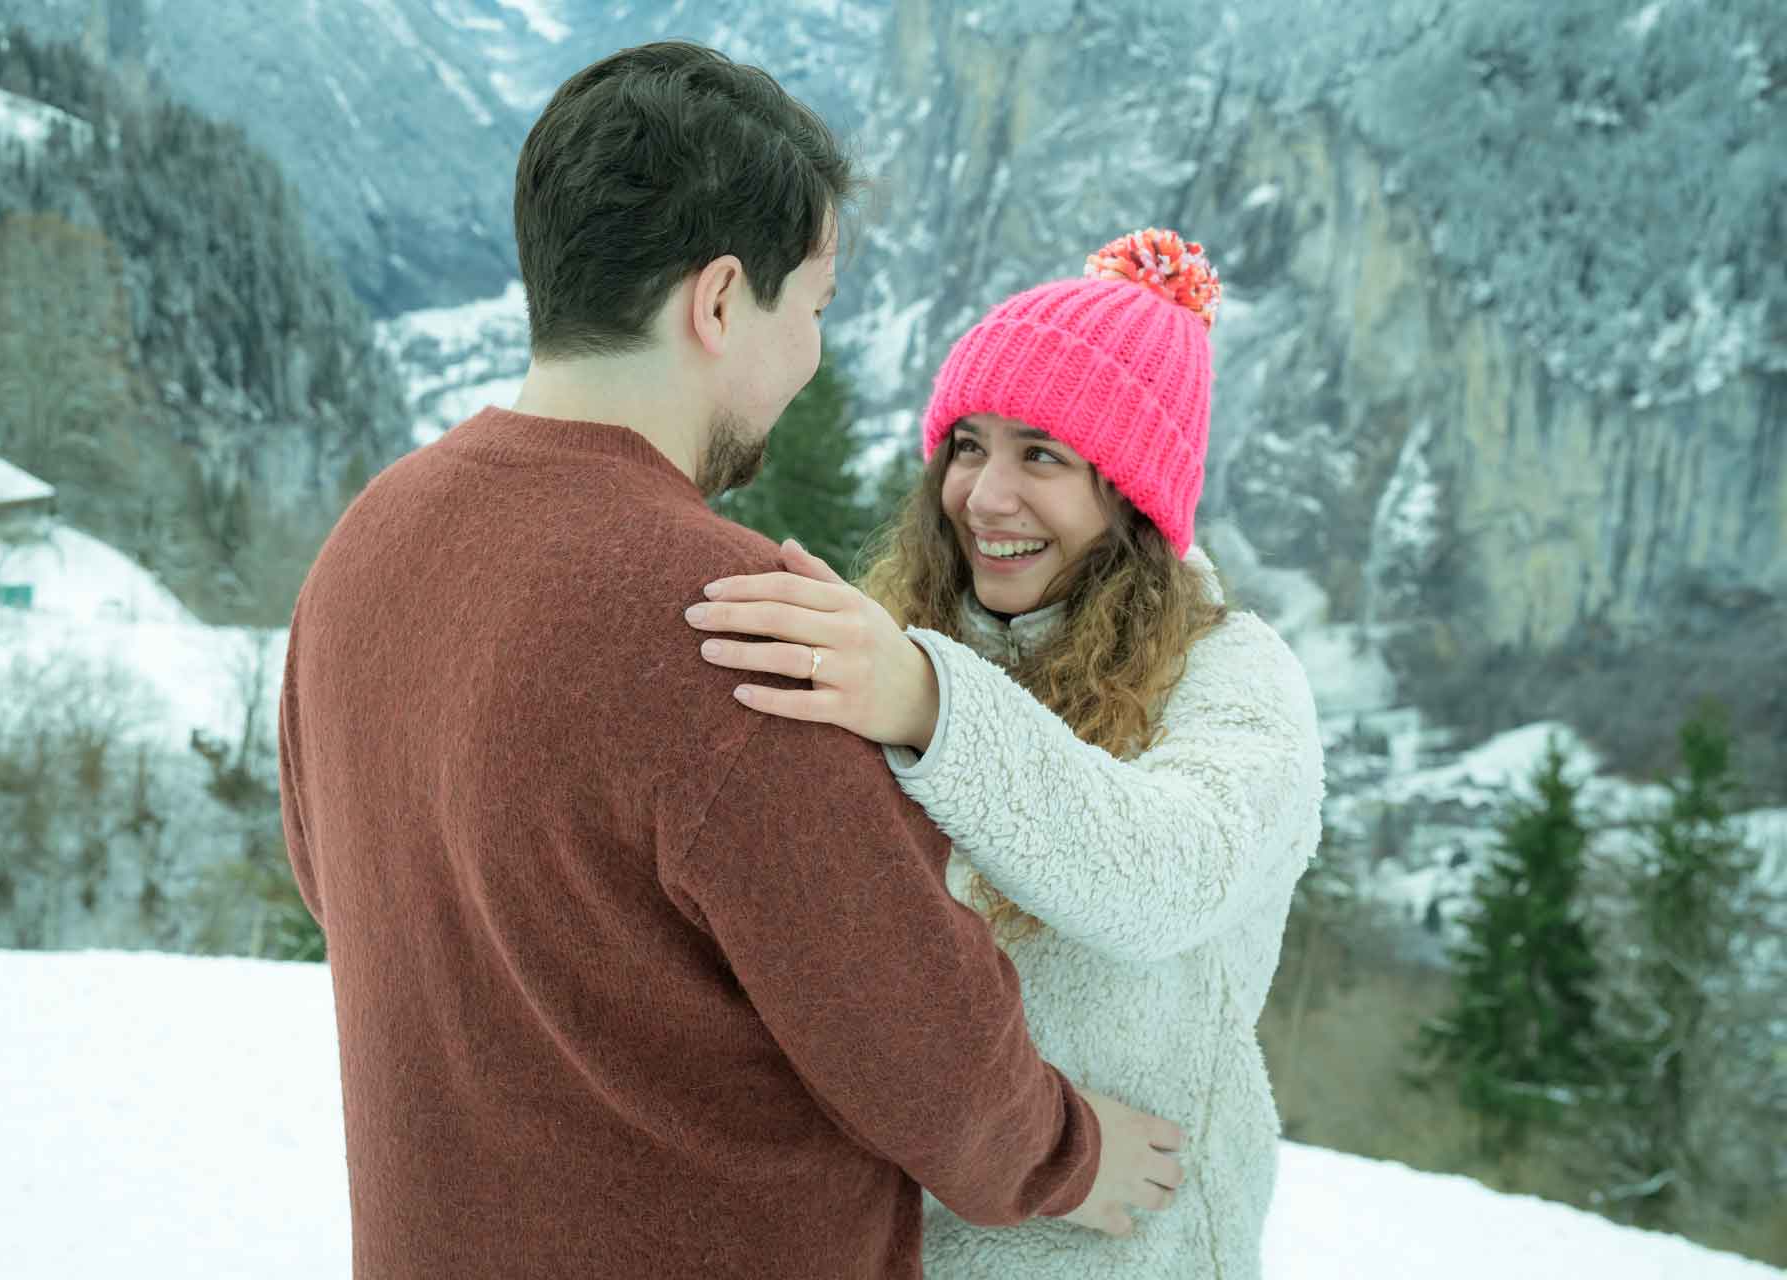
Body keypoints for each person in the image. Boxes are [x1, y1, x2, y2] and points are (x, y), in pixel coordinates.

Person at [277, 45, 1186, 1280]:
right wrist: (1072, 1154)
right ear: (717, 302)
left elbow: (348, 886)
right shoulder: (738, 626)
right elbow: (922, 1045)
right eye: (809, 306)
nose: (811, 356)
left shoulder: (365, 545)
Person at [687, 228, 1326, 1277]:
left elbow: (1171, 873)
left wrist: (931, 702)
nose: (985, 495)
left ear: (1130, 491)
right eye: (970, 445)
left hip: (1125, 1249)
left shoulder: (1234, 677)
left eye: (1043, 455)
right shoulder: (910, 625)